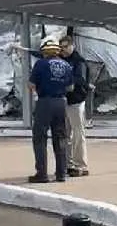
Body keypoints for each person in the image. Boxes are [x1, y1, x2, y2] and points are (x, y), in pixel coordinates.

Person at [28, 38, 73, 183]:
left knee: (40, 138)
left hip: (45, 102)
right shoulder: (66, 65)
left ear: (44, 51)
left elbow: (31, 84)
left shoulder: (40, 64)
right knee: (60, 138)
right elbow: (70, 87)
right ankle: (61, 173)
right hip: (61, 103)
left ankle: (42, 173)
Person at [59, 36, 90, 177]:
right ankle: (69, 163)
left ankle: (81, 165)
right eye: (61, 47)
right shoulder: (60, 60)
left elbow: (80, 80)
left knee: (78, 134)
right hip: (64, 101)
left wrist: (67, 83)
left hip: (76, 101)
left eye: (66, 46)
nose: (63, 50)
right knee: (66, 135)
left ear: (72, 46)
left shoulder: (79, 62)